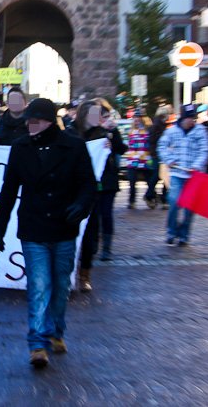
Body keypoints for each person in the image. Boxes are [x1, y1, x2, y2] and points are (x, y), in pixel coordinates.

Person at [0, 98, 97, 368]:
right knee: (39, 285)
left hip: (63, 227)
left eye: (35, 121)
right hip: (34, 227)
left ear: (50, 122)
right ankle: (37, 342)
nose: (29, 125)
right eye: (28, 121)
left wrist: (80, 206)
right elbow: (9, 189)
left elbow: (87, 184)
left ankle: (55, 331)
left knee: (61, 285)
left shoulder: (73, 146)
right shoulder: (21, 147)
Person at [72, 99, 126, 283]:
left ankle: (86, 271)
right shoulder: (71, 132)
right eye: (93, 114)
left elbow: (121, 148)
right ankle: (73, 269)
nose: (97, 117)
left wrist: (112, 136)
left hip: (101, 184)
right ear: (84, 115)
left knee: (92, 229)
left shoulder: (105, 132)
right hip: (76, 188)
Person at [158, 103, 208, 246]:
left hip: (194, 176)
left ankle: (184, 235)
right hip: (177, 173)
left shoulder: (200, 131)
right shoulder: (172, 131)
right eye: (189, 118)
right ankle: (171, 232)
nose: (192, 121)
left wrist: (197, 166)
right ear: (183, 118)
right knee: (174, 203)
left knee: (190, 207)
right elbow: (162, 146)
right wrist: (169, 160)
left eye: (193, 118)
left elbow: (204, 150)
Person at [124, 109, 153, 209]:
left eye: (139, 117)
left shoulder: (148, 129)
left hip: (145, 159)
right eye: (135, 117)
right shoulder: (130, 130)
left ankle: (150, 198)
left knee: (150, 181)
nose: (137, 119)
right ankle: (131, 201)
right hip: (133, 160)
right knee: (132, 181)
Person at [147, 107, 171, 209]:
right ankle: (152, 195)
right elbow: (153, 141)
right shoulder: (157, 126)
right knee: (159, 175)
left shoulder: (160, 125)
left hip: (160, 154)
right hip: (158, 155)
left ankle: (154, 195)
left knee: (161, 176)